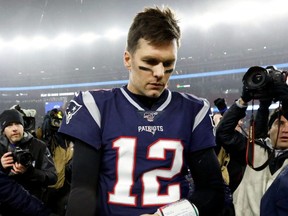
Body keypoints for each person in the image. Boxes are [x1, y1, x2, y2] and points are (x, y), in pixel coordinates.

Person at [59, 6, 224, 216]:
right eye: (150, 61)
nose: (159, 73)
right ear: (128, 59)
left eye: (168, 64)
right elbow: (82, 192)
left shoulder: (194, 110)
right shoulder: (94, 106)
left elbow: (213, 191)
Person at [215, 80, 288, 216]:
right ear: (269, 129)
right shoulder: (253, 150)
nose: (286, 130)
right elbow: (223, 133)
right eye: (280, 123)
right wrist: (243, 100)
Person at [0, 109, 57, 215]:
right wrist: (1, 166)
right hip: (6, 209)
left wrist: (30, 172)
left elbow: (53, 177)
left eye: (18, 124)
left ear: (23, 125)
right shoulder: (1, 148)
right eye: (9, 125)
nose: (15, 128)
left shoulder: (39, 146)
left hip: (35, 207)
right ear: (3, 130)